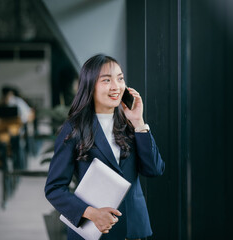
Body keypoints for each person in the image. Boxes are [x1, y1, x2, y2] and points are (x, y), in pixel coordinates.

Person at [44, 54, 165, 240]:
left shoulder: (130, 124)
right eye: (106, 80)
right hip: (94, 231)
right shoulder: (74, 129)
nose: (116, 86)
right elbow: (54, 188)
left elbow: (154, 169)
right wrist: (91, 213)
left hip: (133, 230)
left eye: (120, 78)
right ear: (90, 86)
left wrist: (139, 122)